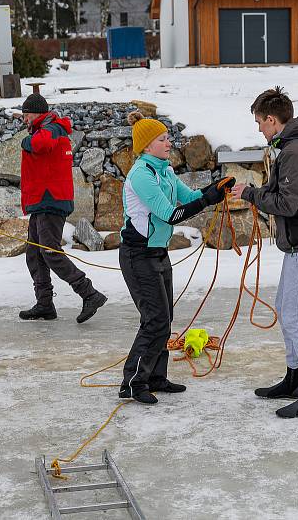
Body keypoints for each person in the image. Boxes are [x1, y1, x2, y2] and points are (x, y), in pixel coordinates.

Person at [232, 87, 298, 418]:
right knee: (284, 308)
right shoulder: (294, 147)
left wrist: (251, 195)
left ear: (271, 120)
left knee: (297, 316)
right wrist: (254, 192)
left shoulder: (295, 151)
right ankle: (295, 379)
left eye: (259, 123)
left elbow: (288, 204)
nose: (259, 129)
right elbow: (286, 192)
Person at [118, 111, 233, 404]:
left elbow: (190, 196)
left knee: (164, 319)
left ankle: (156, 377)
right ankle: (132, 382)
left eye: (168, 137)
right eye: (162, 139)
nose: (169, 142)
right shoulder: (141, 175)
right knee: (154, 320)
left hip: (157, 252)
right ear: (146, 146)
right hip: (137, 254)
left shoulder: (165, 171)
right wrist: (206, 200)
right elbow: (169, 214)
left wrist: (213, 191)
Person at [17, 93, 107, 323]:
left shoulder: (51, 129)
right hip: (42, 201)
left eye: (26, 115)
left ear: (36, 113)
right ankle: (45, 303)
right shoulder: (49, 128)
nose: (24, 120)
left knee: (50, 251)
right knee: (35, 253)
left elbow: (38, 144)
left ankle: (89, 293)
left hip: (50, 200)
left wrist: (25, 141)